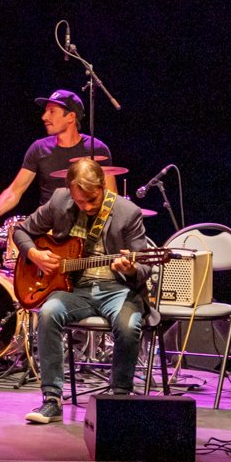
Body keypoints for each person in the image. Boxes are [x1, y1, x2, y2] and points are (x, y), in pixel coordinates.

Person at [13, 158, 152, 424]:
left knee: (128, 324)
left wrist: (131, 268)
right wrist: (34, 253)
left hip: (117, 288)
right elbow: (22, 232)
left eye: (92, 199)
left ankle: (118, 399)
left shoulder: (127, 212)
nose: (87, 207)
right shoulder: (58, 201)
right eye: (80, 202)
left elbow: (145, 266)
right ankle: (51, 400)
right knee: (49, 313)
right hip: (75, 289)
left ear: (102, 187)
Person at [0, 89, 117, 225]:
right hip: (48, 227)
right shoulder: (39, 148)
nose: (44, 117)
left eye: (52, 112)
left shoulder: (97, 149)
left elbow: (110, 197)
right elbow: (15, 191)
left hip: (85, 227)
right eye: (46, 111)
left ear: (71, 117)